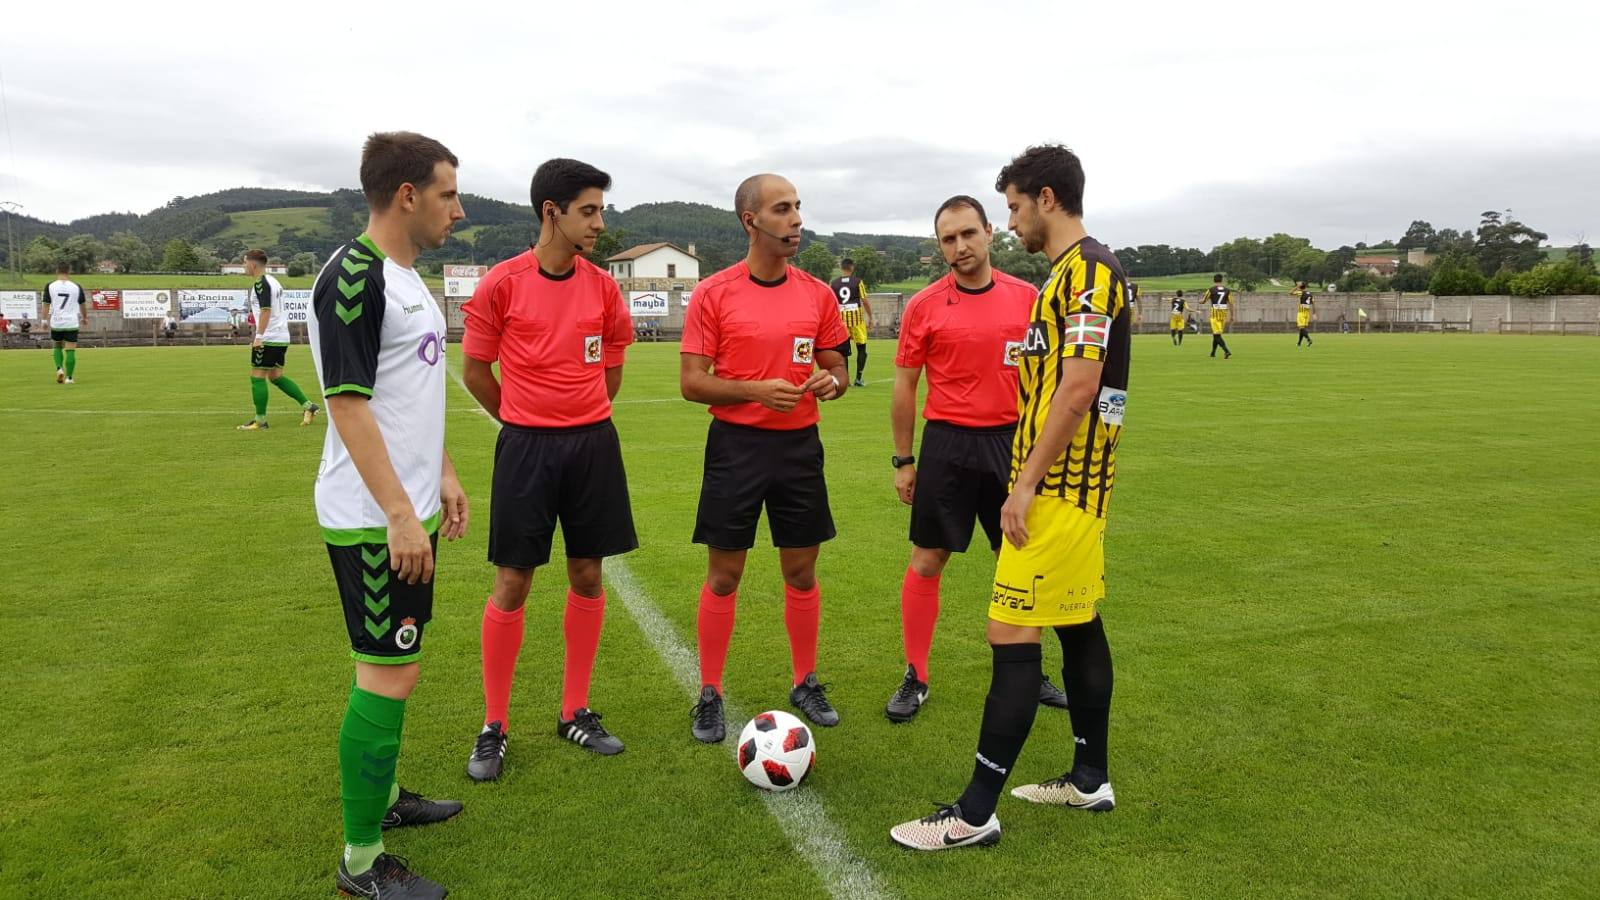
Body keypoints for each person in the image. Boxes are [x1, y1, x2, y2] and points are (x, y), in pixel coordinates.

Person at [892, 144, 1129, 850]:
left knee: (1011, 633)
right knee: (1080, 624)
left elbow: (1082, 387)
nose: (1014, 220)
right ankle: (1090, 780)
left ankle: (973, 814)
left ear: (1047, 199)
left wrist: (1024, 484)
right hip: (1072, 486)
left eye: (1015, 207)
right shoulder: (1070, 273)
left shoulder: (1085, 273)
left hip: (1057, 489)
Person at [308, 131, 469, 900]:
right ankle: (362, 861)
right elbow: (348, 405)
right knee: (388, 672)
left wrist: (441, 474)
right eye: (447, 194)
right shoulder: (355, 276)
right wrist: (400, 515)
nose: (458, 210)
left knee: (399, 661)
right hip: (374, 518)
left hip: (406, 506)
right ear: (406, 195)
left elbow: (410, 395)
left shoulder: (409, 277)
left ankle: (387, 798)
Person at [461, 158, 638, 779]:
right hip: (526, 447)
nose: (597, 223)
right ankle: (495, 724)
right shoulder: (502, 285)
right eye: (588, 211)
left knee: (588, 575)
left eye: (600, 211)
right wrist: (521, 418)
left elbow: (612, 364)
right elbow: (476, 371)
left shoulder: (602, 286)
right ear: (551, 213)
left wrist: (582, 411)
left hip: (592, 445)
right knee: (514, 582)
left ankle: (574, 710)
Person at [886, 194, 1068, 723]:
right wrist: (904, 460)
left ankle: (1027, 672)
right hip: (947, 443)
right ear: (940, 245)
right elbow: (904, 388)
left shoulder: (1030, 298)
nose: (960, 246)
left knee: (1018, 558)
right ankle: (916, 675)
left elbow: (1052, 380)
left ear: (990, 232)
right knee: (927, 559)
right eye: (948, 239)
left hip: (1012, 443)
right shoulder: (924, 305)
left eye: (968, 234)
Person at [680, 173, 850, 743]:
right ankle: (710, 691)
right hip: (737, 448)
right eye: (783, 209)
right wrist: (755, 390)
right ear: (750, 220)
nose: (796, 218)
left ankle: (805, 680)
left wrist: (832, 381)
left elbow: (838, 368)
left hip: (799, 447)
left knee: (801, 571)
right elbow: (691, 383)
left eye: (799, 207)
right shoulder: (714, 292)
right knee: (725, 574)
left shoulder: (817, 294)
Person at [237, 249, 320, 430]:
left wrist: (259, 337)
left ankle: (260, 420)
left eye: (244, 263)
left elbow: (266, 310)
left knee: (257, 376)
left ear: (252, 264)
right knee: (276, 376)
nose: (244, 267)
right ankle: (309, 406)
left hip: (269, 337)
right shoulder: (274, 281)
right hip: (281, 336)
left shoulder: (261, 284)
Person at [830, 258, 873, 386]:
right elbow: (864, 300)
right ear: (852, 268)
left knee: (843, 351)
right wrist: (870, 317)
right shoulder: (858, 282)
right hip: (856, 320)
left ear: (841, 268)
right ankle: (858, 378)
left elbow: (831, 303)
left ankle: (846, 379)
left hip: (841, 321)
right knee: (861, 348)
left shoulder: (834, 283)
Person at [45, 263, 87, 383]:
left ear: (57, 271)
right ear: (69, 271)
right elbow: (82, 304)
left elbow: (46, 304)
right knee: (70, 349)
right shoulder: (76, 287)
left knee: (57, 346)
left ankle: (59, 369)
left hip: (56, 322)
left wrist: (43, 320)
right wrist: (84, 317)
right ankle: (69, 378)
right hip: (71, 322)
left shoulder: (50, 286)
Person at [1204, 273, 1234, 358]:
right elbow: (1231, 303)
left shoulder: (1211, 290)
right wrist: (1232, 316)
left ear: (1214, 280)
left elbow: (1204, 300)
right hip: (1223, 314)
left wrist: (1200, 301)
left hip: (1215, 314)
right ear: (1222, 280)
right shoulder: (1227, 290)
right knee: (1216, 334)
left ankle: (1226, 351)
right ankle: (1213, 353)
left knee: (1216, 335)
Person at [1293, 281, 1315, 346]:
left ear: (1300, 287)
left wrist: (1296, 287)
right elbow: (1313, 304)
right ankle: (1299, 343)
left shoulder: (1301, 293)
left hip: (1301, 312)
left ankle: (1309, 339)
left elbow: (1290, 293)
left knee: (1301, 328)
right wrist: (1314, 313)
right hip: (1307, 312)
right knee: (1302, 328)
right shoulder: (1310, 294)